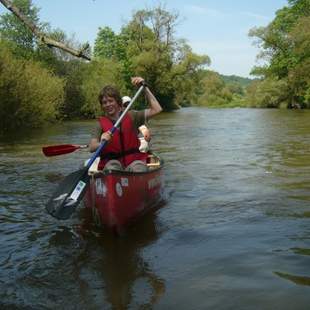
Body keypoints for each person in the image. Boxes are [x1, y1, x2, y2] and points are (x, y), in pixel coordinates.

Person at [89, 77, 162, 172]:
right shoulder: (99, 124)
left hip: (134, 161)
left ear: (118, 102)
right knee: (112, 168)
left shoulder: (132, 116)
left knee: (139, 168)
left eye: (111, 101)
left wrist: (145, 88)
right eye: (104, 103)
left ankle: (137, 184)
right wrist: (102, 142)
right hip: (112, 162)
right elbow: (92, 147)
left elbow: (157, 109)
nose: (107, 105)